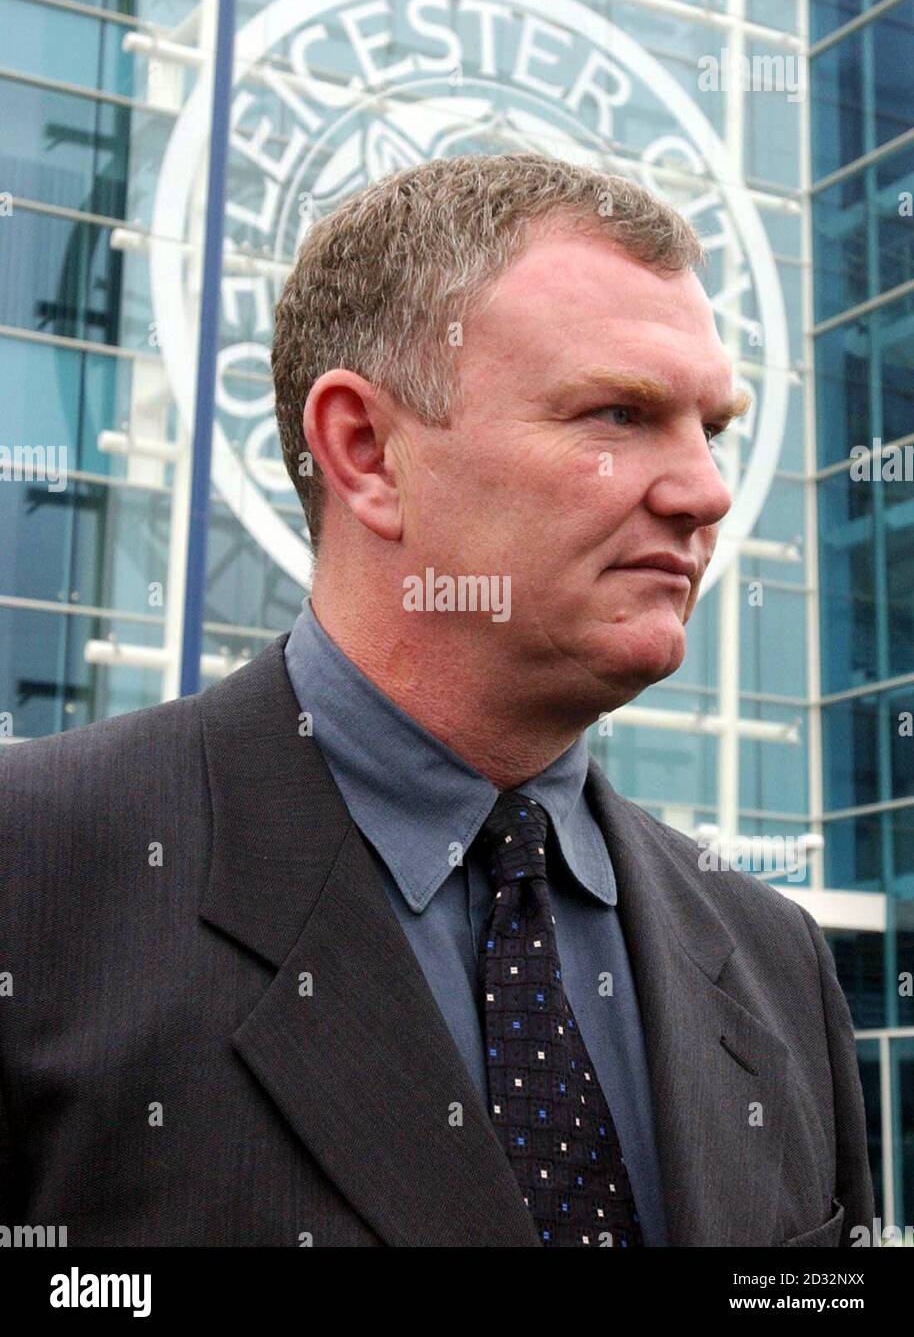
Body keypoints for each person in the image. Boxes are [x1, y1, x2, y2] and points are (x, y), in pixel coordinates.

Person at [0, 153, 873, 1247]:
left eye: (714, 429)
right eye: (615, 414)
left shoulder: (773, 958)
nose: (703, 491)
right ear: (365, 452)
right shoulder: (36, 871)